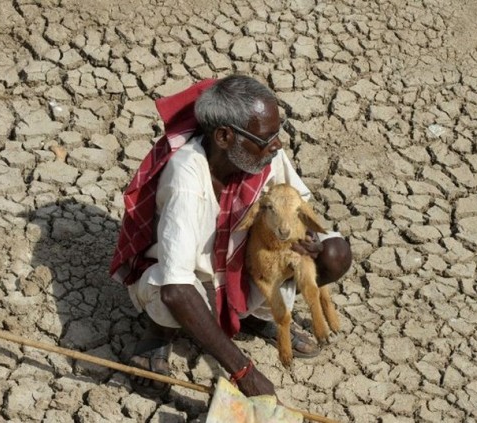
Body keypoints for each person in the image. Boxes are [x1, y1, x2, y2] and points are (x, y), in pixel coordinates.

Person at [109, 75, 352, 398]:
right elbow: (176, 289)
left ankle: (253, 317)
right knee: (171, 291)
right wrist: (245, 374)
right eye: (267, 138)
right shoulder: (187, 178)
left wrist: (308, 240)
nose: (277, 145)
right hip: (189, 282)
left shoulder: (264, 155)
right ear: (224, 137)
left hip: (238, 266)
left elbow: (295, 207)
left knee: (331, 253)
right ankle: (157, 336)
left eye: (277, 134)